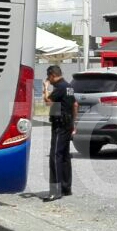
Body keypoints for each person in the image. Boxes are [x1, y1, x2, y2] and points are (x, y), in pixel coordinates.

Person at [42, 65, 76, 201]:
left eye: (48, 77)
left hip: (59, 125)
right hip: (68, 124)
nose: (48, 79)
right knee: (65, 156)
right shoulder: (69, 86)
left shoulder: (60, 87)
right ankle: (66, 187)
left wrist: (45, 87)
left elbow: (48, 101)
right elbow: (75, 105)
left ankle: (55, 191)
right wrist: (74, 124)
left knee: (55, 155)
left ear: (52, 75)